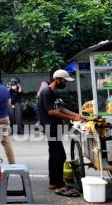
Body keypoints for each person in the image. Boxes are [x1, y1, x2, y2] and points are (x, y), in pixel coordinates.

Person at [38, 69, 87, 197]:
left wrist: (77, 115)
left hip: (55, 127)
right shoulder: (46, 92)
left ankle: (53, 182)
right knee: (60, 156)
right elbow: (51, 112)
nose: (66, 83)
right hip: (50, 127)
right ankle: (59, 185)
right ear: (57, 79)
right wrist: (72, 118)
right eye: (64, 81)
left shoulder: (55, 92)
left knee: (53, 154)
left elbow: (61, 108)